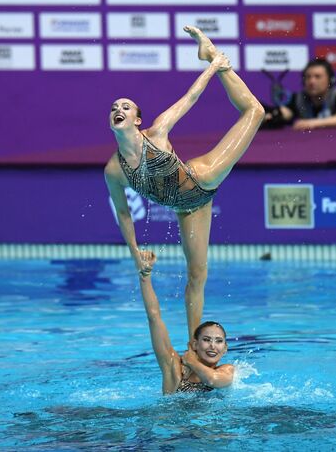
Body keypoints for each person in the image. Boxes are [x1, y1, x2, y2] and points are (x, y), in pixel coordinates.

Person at [105, 26, 264, 339]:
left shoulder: (158, 132)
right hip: (190, 207)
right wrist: (135, 252)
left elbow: (190, 98)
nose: (117, 110)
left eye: (125, 107)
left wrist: (214, 67)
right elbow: (123, 214)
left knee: (255, 111)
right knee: (196, 275)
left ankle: (214, 55)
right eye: (113, 108)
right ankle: (195, 347)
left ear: (137, 119)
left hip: (202, 176)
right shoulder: (114, 170)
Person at [137, 251, 234, 394]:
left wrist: (192, 362)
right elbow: (153, 317)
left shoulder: (226, 370)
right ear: (195, 344)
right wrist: (145, 277)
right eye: (206, 340)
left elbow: (213, 380)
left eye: (219, 341)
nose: (213, 346)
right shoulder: (174, 367)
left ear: (225, 348)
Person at [263, 58, 336, 130]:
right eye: (308, 77)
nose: (311, 81)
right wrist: (272, 115)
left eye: (317, 77)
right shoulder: (299, 98)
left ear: (330, 80)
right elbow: (285, 112)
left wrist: (311, 123)